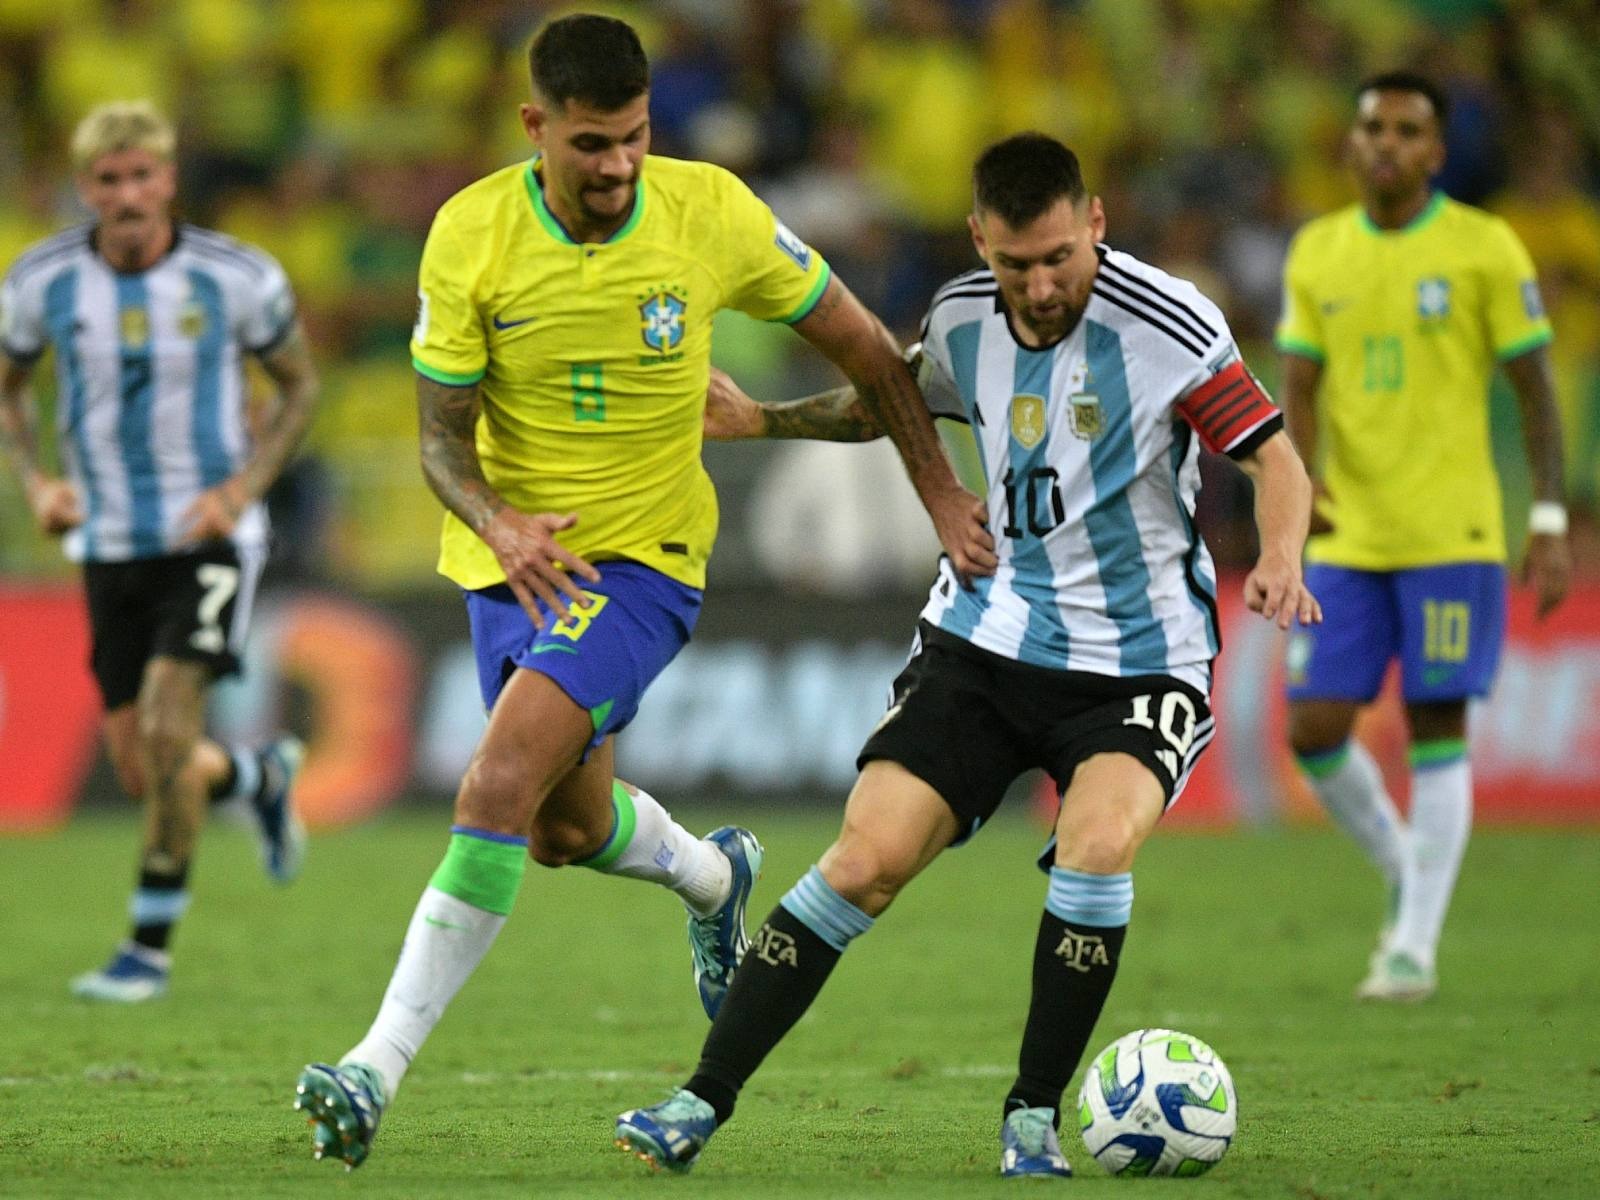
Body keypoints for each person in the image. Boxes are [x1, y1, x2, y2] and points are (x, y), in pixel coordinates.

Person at [292, 13, 993, 1171]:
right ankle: (714, 876)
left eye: (634, 137)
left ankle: (372, 1068)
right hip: (510, 566)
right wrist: (498, 523)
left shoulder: (709, 212)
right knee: (562, 828)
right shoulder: (469, 235)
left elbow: (873, 353)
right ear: (535, 127)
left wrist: (942, 497)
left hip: (643, 565)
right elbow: (440, 443)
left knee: (497, 780)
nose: (618, 164)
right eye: (591, 144)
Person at [614, 132, 1320, 1178]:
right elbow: (890, 402)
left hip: (1138, 661)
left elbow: (1273, 457)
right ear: (980, 239)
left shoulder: (1171, 325)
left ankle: (1032, 1117)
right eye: (1016, 264)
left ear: (1095, 225)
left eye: (1059, 259)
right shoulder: (960, 316)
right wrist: (762, 419)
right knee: (864, 863)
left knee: (1095, 847)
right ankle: (697, 1101)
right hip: (987, 638)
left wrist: (1281, 555)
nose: (1040, 287)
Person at [0, 101, 319, 1002]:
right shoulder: (41, 282)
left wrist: (241, 493)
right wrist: (37, 482)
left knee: (170, 728)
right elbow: (9, 388)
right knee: (147, 766)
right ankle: (257, 776)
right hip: (107, 540)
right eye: (110, 180)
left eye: (143, 176)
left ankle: (146, 949)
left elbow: (299, 388)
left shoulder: (236, 276)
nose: (129, 196)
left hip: (208, 535)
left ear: (169, 179)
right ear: (85, 187)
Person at [1276, 71, 1570, 1003]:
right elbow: (1299, 387)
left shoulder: (1483, 247)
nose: (1388, 144)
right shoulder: (1318, 251)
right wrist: (1299, 481)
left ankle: (1413, 945)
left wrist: (1549, 518)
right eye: (1375, 127)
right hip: (1349, 535)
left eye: (1408, 131)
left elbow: (1536, 391)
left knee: (1438, 723)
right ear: (1353, 143)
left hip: (1454, 531)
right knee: (1314, 728)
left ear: (1436, 152)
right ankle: (1410, 867)